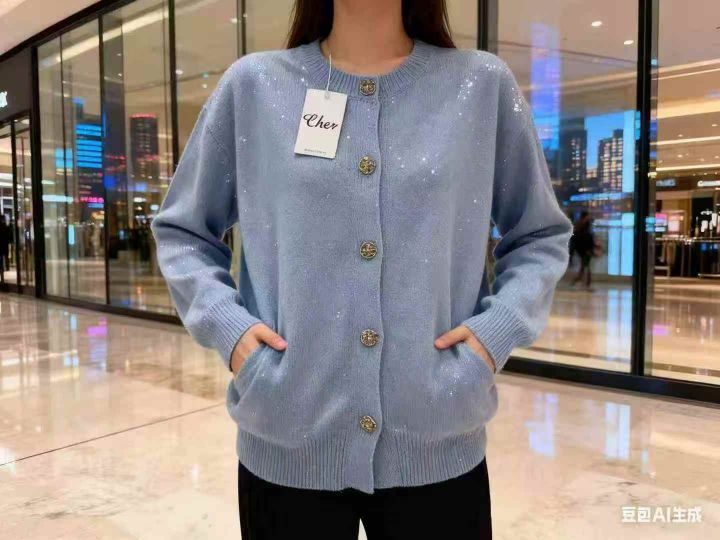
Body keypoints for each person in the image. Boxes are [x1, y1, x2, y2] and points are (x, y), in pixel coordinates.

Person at [150, 0, 573, 537]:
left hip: (438, 434)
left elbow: (539, 236)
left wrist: (492, 338)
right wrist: (233, 336)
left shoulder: (480, 86)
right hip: (287, 434)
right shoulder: (254, 87)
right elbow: (183, 232)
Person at [571, 210, 598, 291]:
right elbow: (585, 237)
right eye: (587, 216)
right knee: (587, 267)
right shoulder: (582, 225)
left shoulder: (581, 225)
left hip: (583, 249)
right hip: (585, 249)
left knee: (584, 267)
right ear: (585, 216)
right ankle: (586, 284)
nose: (589, 217)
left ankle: (577, 281)